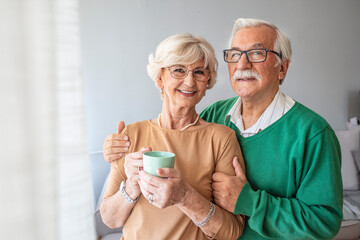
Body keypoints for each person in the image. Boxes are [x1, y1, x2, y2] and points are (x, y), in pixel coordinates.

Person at [103, 18, 343, 239]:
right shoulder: (216, 115)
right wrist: (116, 151)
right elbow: (184, 133)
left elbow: (325, 222)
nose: (243, 63)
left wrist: (248, 201)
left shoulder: (313, 133)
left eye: (257, 53)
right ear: (159, 78)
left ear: (282, 68)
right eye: (236, 54)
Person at [100, 33, 245, 240]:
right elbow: (110, 219)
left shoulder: (221, 139)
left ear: (208, 81)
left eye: (199, 72)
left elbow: (232, 232)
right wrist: (131, 186)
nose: (189, 81)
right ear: (160, 78)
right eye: (178, 70)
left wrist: (185, 196)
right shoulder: (131, 134)